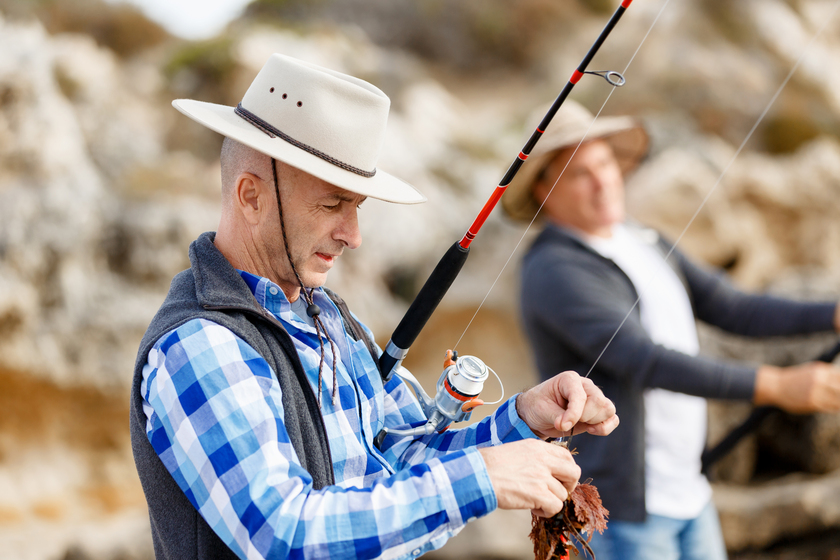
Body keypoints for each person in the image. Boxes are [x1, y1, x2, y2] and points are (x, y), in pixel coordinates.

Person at [129, 54, 620, 560]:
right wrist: (484, 478)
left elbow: (405, 459)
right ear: (251, 197)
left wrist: (523, 421)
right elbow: (283, 534)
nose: (354, 236)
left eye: (357, 207)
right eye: (331, 204)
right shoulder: (199, 344)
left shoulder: (334, 321)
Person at [503, 99, 840, 560]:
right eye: (580, 173)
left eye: (605, 163)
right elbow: (644, 359)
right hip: (623, 513)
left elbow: (733, 307)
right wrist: (778, 385)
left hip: (689, 494)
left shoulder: (644, 239)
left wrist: (831, 315)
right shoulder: (554, 269)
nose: (603, 180)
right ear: (543, 190)